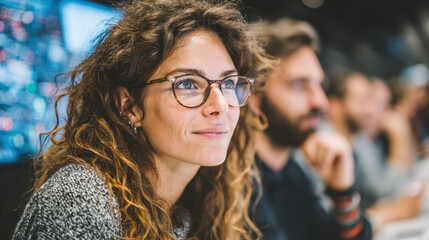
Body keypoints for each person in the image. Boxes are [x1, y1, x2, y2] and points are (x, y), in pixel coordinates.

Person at [13, 0, 271, 239]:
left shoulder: (195, 205)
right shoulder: (80, 200)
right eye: (188, 83)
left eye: (227, 83)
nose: (220, 106)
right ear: (129, 105)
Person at [247, 18, 372, 240]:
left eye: (318, 86)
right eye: (299, 85)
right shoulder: (234, 184)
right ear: (254, 95)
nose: (321, 102)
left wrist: (342, 190)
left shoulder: (292, 172)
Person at [326, 71, 423, 232]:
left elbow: (382, 193)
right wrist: (400, 139)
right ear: (335, 106)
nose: (370, 111)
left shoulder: (357, 141)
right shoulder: (322, 149)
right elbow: (328, 227)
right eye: (361, 101)